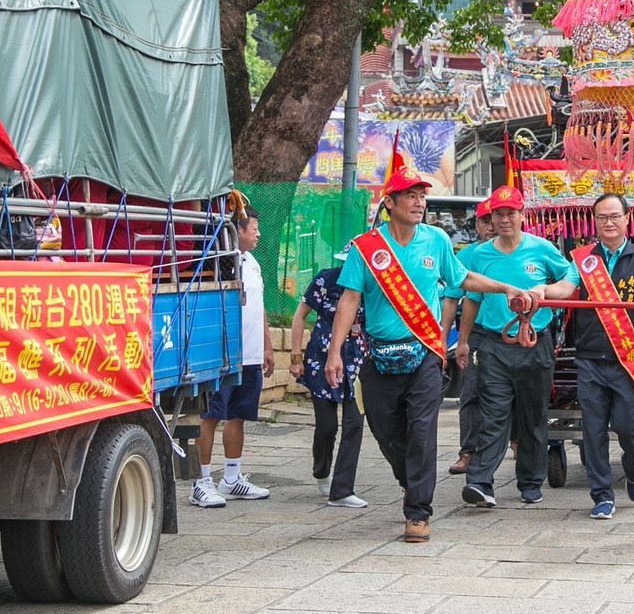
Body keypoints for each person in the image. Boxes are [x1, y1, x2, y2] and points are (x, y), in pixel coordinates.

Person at [326, 167, 533, 544]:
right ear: (389, 203)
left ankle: (418, 512)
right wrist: (334, 352)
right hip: (380, 355)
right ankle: (410, 480)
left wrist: (504, 286)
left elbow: (462, 278)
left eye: (422, 195)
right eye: (410, 195)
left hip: (424, 353)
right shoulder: (366, 248)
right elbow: (350, 299)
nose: (419, 201)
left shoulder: (436, 240)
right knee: (386, 431)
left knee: (422, 430)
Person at [459, 185, 573, 509]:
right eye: (499, 214)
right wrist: (464, 341)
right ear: (491, 218)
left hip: (536, 343)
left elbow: (571, 277)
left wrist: (547, 289)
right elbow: (471, 300)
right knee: (493, 414)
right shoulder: (480, 255)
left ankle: (530, 481)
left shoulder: (543, 249)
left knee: (533, 415)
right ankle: (479, 482)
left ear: (522, 215)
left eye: (511, 213)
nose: (505, 219)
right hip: (495, 344)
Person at [563, 193, 634, 520]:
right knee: (593, 429)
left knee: (629, 427)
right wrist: (540, 292)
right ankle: (601, 495)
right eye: (602, 217)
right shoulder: (584, 259)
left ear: (627, 218)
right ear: (595, 221)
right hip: (589, 357)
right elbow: (564, 288)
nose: (609, 223)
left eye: (615, 216)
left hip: (626, 356)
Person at [191, 207, 273, 508]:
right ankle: (201, 482)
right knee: (211, 415)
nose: (259, 233)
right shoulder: (218, 262)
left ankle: (232, 478)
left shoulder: (252, 262)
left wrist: (266, 344)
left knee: (238, 415)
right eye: (254, 228)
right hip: (220, 353)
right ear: (237, 229)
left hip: (249, 355)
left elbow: (258, 304)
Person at [288, 244, 368, 507]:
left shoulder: (373, 283)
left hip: (358, 359)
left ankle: (343, 488)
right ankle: (322, 471)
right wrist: (296, 356)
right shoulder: (326, 278)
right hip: (321, 358)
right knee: (327, 426)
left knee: (354, 423)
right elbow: (300, 317)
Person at [440, 198, 495, 475]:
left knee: (517, 394)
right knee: (470, 392)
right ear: (477, 224)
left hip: (512, 334)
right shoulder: (465, 256)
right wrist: (445, 338)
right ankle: (468, 451)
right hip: (476, 333)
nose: (492, 226)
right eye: (485, 220)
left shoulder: (524, 250)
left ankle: (517, 442)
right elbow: (451, 299)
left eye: (495, 219)